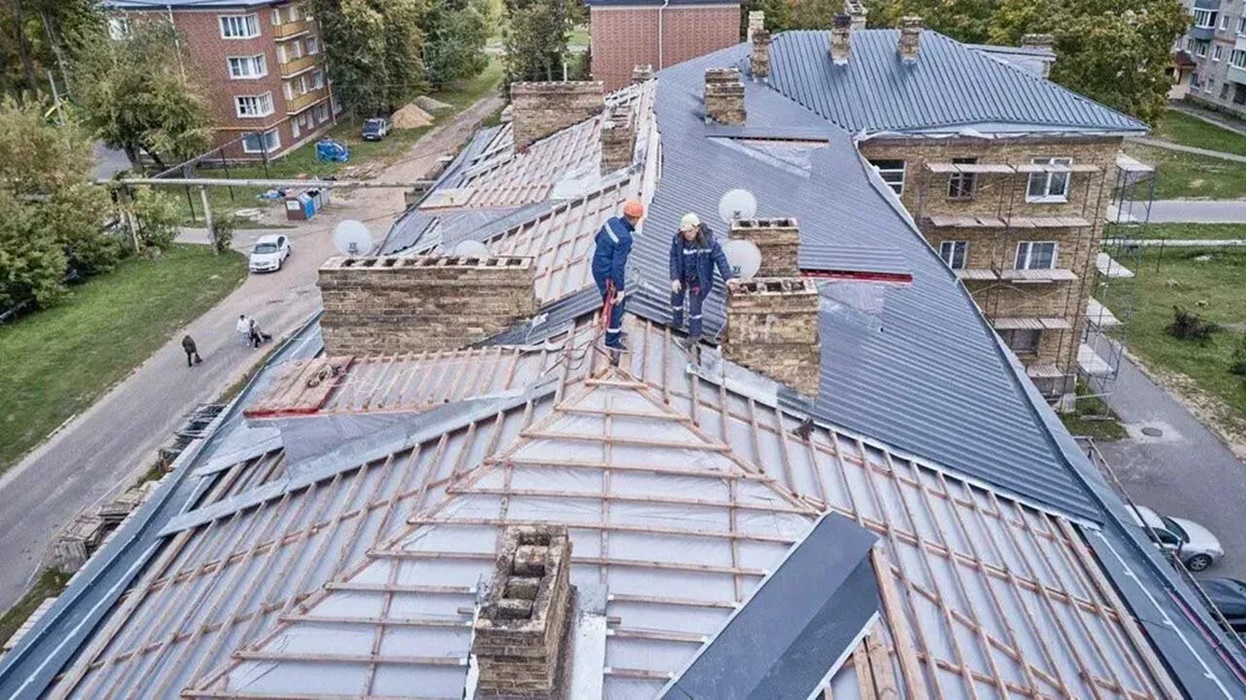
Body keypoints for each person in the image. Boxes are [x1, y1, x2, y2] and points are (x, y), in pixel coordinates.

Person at [669, 212, 734, 344]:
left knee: (695, 307)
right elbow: (674, 258)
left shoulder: (709, 243)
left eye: (690, 231)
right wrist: (675, 278)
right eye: (685, 232)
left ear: (697, 229)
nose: (688, 234)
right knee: (676, 298)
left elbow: (720, 260)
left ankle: (694, 335)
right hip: (682, 275)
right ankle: (677, 322)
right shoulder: (677, 240)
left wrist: (728, 278)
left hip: (699, 279)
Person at [591, 199, 644, 350]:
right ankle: (611, 340)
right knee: (616, 304)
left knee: (610, 300)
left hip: (597, 266)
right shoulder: (625, 238)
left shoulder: (611, 222)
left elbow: (597, 238)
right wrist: (620, 289)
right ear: (635, 219)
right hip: (607, 274)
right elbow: (617, 266)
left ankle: (614, 330)